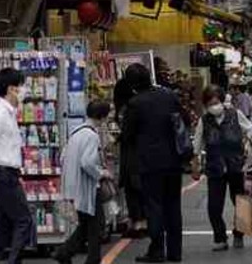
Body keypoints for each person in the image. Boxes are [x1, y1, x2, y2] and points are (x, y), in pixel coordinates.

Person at [123, 63, 188, 263]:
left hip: (150, 163)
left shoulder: (135, 103)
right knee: (173, 205)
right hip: (174, 161)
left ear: (132, 84)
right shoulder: (168, 95)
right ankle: (175, 252)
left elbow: (127, 135)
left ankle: (157, 250)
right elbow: (183, 120)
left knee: (154, 206)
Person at [192, 86, 252, 251]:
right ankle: (220, 238)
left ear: (222, 101)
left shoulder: (235, 114)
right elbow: (197, 144)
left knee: (241, 202)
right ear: (206, 105)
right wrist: (195, 165)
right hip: (215, 168)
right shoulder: (204, 121)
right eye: (210, 103)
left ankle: (239, 234)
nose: (214, 106)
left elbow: (249, 128)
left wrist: (247, 142)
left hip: (236, 165)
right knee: (214, 206)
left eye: (216, 102)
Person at [0, 67, 33, 264]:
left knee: (1, 224)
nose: (24, 90)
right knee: (24, 220)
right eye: (21, 86)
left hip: (8, 174)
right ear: (12, 89)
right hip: (2, 175)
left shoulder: (10, 113)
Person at [55, 100, 113, 264]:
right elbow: (87, 162)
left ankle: (66, 252)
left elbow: (63, 156)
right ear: (102, 117)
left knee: (87, 224)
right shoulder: (91, 136)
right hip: (87, 187)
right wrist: (101, 173)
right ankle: (89, 258)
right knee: (97, 225)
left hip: (73, 185)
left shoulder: (76, 132)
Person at [114, 70, 146, 238]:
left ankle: (138, 223)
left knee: (132, 189)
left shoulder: (127, 109)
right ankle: (144, 222)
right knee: (141, 189)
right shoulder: (142, 104)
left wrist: (117, 138)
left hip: (131, 155)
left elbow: (126, 133)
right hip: (144, 154)